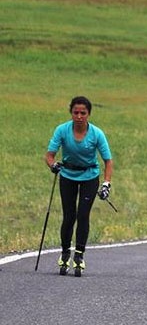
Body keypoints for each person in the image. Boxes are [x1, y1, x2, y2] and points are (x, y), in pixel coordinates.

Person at [44, 96, 113, 277]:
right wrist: (53, 166)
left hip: (90, 176)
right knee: (69, 216)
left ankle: (79, 255)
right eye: (76, 112)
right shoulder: (62, 130)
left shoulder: (97, 133)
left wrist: (106, 184)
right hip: (68, 175)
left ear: (89, 114)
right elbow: (49, 155)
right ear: (71, 113)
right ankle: (65, 253)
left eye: (83, 113)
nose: (79, 116)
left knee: (83, 215)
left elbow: (108, 161)